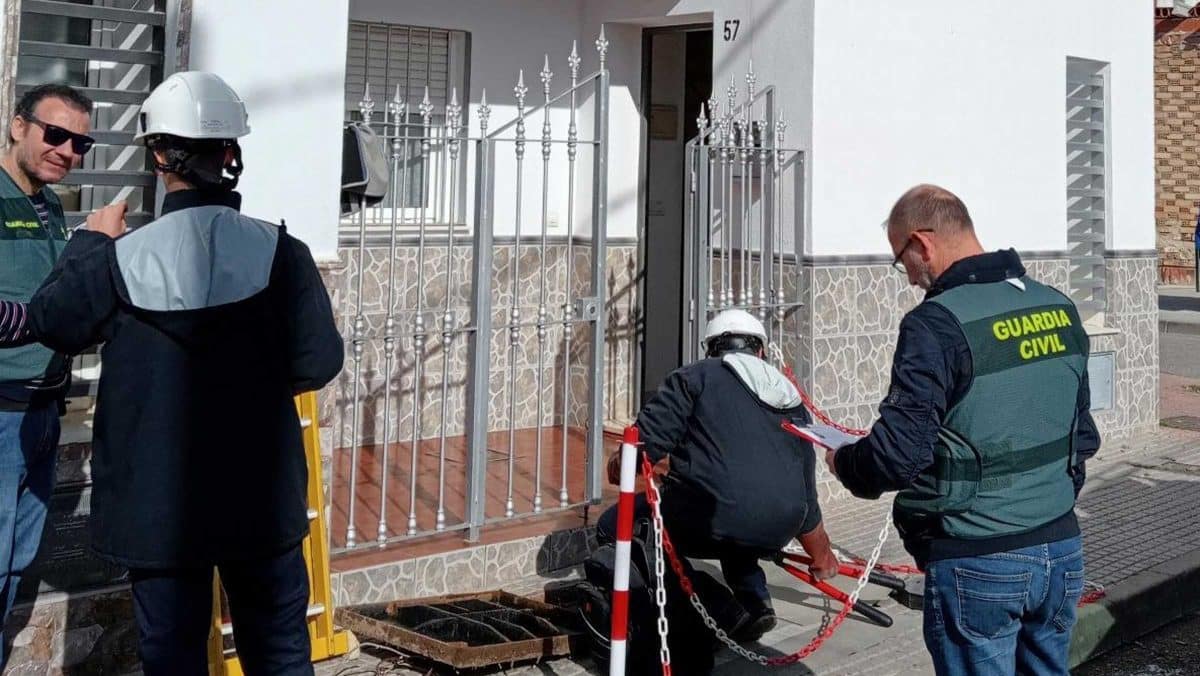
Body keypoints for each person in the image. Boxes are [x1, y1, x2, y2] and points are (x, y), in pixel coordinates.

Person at [25, 71, 343, 675]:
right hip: (259, 504)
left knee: (172, 660)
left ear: (158, 156)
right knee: (278, 656)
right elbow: (318, 363)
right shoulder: (284, 254)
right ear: (231, 154)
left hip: (158, 514)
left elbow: (52, 320)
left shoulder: (120, 257)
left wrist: (90, 243)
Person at [825, 184, 1100, 676]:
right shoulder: (1058, 306)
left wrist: (845, 461)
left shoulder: (934, 325)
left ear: (922, 243)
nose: (909, 278)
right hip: (1062, 551)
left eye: (901, 260)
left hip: (977, 559)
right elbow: (1084, 439)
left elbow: (895, 458)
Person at [598, 308, 838, 643]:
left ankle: (720, 607)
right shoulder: (788, 394)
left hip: (714, 516)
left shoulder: (694, 377)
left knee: (616, 525)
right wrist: (820, 553)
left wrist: (618, 461)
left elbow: (640, 450)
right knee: (731, 516)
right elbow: (804, 484)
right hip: (782, 524)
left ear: (713, 348)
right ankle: (756, 604)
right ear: (761, 351)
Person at [0, 83, 93, 665]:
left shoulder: (49, 203)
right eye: (55, 134)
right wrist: (49, 321)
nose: (67, 151)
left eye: (80, 142)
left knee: (15, 560)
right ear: (18, 126)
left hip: (41, 411)